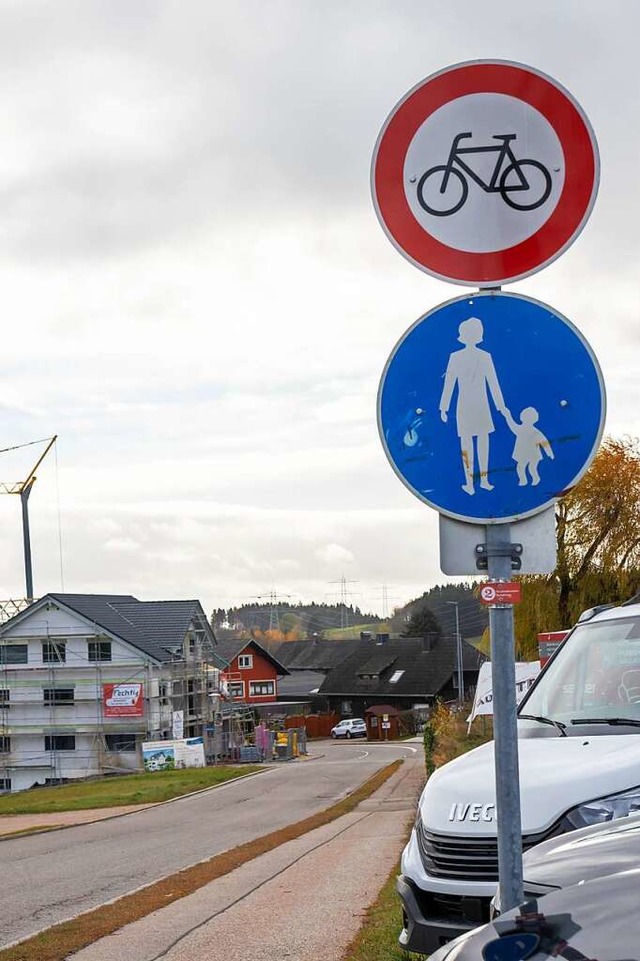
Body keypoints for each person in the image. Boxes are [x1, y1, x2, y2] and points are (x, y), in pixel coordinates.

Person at [439, 317, 507, 495]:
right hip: (471, 405)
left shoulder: (483, 357)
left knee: (473, 443)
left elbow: (493, 382)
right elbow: (450, 382)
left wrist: (501, 406)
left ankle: (480, 481)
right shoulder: (461, 357)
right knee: (475, 443)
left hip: (474, 405)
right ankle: (474, 482)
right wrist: (444, 407)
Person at [503, 406, 554, 486]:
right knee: (520, 467)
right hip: (524, 453)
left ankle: (535, 478)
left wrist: (549, 452)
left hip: (533, 454)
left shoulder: (535, 432)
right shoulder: (520, 429)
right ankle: (523, 480)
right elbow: (512, 425)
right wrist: (508, 415)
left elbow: (544, 442)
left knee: (531, 468)